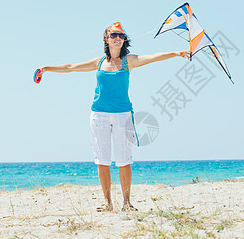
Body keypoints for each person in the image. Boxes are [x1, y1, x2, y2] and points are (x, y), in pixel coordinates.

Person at [37, 22, 189, 211]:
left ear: (124, 40)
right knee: (103, 160)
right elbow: (71, 67)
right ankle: (107, 202)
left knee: (124, 161)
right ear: (106, 39)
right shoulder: (99, 62)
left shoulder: (129, 61)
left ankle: (126, 203)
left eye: (121, 35)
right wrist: (46, 68)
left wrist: (175, 53)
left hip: (123, 116)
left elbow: (153, 57)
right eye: (114, 35)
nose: (118, 38)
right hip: (98, 115)